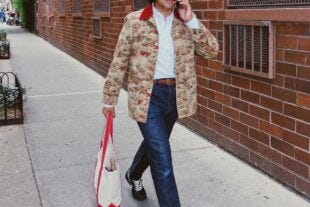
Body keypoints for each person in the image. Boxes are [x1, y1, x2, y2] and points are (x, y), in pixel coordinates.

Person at [102, 0, 218, 206]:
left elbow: (211, 51)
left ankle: (134, 174)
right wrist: (109, 100)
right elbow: (119, 60)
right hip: (147, 97)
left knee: (156, 145)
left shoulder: (183, 21)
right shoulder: (135, 20)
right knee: (163, 160)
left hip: (176, 96)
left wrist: (191, 20)